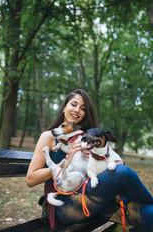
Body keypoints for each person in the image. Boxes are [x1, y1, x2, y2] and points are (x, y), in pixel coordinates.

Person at [26, 89, 153, 232]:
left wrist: (95, 156)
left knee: (150, 214)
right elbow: (30, 179)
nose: (77, 110)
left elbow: (102, 165)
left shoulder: (87, 138)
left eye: (83, 108)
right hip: (63, 204)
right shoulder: (48, 137)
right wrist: (66, 162)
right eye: (73, 104)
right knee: (121, 172)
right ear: (64, 107)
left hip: (91, 195)